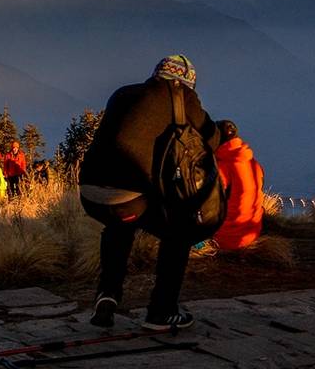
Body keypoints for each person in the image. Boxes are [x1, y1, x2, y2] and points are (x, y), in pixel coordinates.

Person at [80, 55, 220, 332]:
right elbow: (210, 139)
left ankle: (107, 293)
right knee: (178, 232)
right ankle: (162, 311)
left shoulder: (122, 94)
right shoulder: (182, 98)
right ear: (185, 82)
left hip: (90, 193)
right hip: (133, 196)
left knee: (119, 224)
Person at [212, 120, 264, 251]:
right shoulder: (254, 164)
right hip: (253, 233)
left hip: (227, 238)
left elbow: (209, 200)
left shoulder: (223, 166)